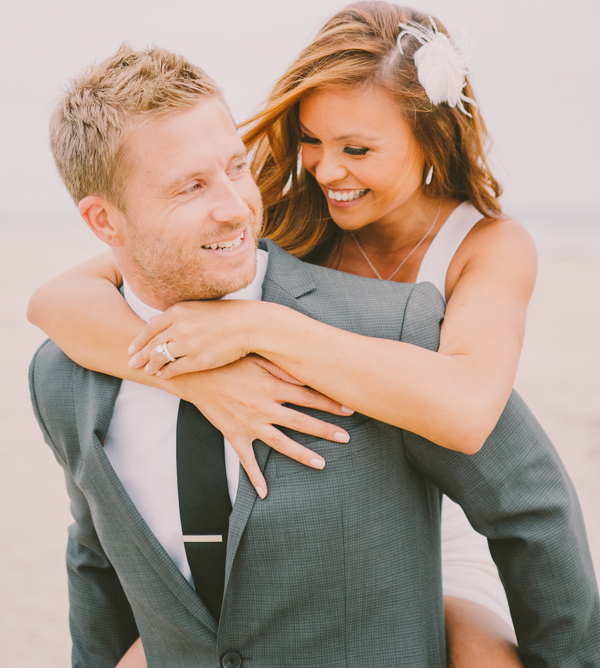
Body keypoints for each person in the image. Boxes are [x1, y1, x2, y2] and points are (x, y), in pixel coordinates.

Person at [28, 42, 600, 668]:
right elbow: (96, 554)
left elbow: (518, 487)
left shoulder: (422, 306)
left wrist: (265, 327)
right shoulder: (64, 376)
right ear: (103, 222)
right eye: (191, 185)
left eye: (235, 168)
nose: (234, 206)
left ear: (427, 144)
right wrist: (192, 378)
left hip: (428, 554)